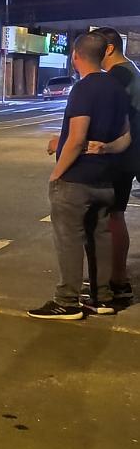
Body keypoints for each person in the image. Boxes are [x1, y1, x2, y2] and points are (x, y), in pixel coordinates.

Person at [29, 31, 132, 320]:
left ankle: (67, 301)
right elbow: (125, 138)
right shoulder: (116, 89)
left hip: (77, 180)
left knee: (69, 239)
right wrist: (105, 149)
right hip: (106, 180)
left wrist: (57, 174)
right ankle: (102, 298)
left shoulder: (84, 89)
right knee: (100, 236)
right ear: (103, 55)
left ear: (75, 56)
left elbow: (76, 138)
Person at [91, 27, 139, 303]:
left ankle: (117, 281)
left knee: (112, 216)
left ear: (108, 49)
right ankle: (117, 279)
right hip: (130, 155)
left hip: (123, 156)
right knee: (115, 215)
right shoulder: (129, 70)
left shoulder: (118, 76)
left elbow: (109, 117)